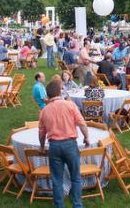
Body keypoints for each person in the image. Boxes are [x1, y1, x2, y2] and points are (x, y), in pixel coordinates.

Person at [38, 80, 91, 208]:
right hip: (70, 144)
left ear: (49, 95)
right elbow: (82, 123)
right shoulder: (70, 105)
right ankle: (77, 205)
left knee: (57, 179)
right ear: (59, 92)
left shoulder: (44, 111)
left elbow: (41, 133)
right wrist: (86, 137)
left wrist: (41, 146)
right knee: (75, 177)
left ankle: (59, 205)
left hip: (54, 146)